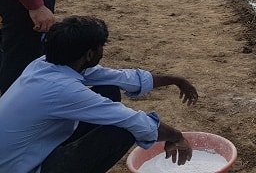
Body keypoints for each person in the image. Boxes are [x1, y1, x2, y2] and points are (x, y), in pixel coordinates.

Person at [0, 16, 197, 172]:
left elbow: (121, 78)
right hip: (20, 168)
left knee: (108, 88)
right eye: (101, 47)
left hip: (28, 150)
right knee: (124, 130)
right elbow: (134, 121)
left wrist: (175, 80)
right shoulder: (62, 90)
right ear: (89, 54)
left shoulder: (45, 64)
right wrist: (177, 136)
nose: (102, 51)